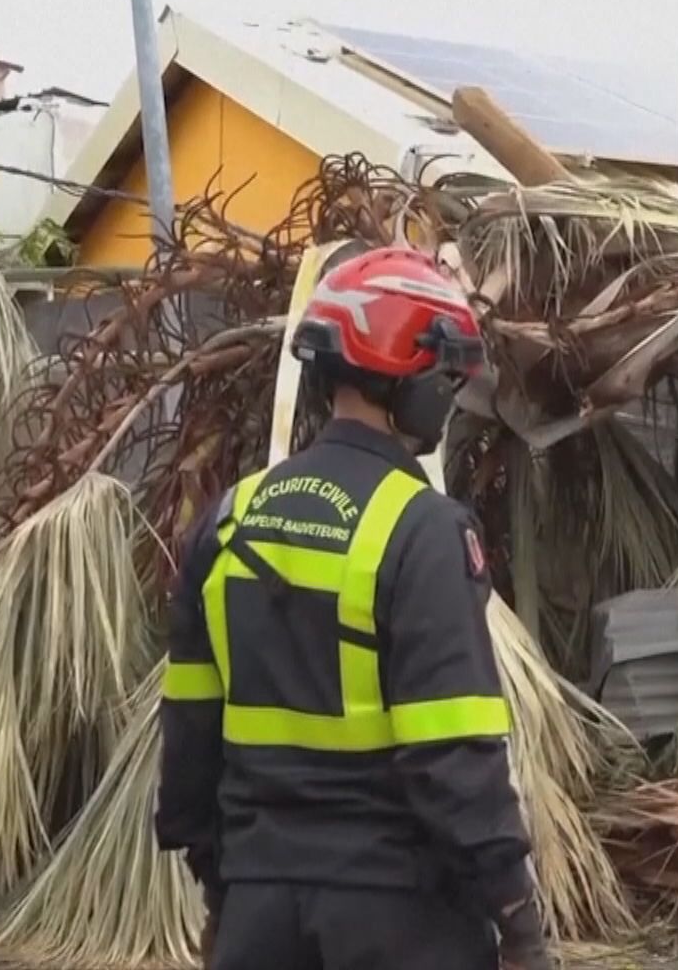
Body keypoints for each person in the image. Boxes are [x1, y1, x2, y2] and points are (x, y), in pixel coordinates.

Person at [155, 247, 551, 970]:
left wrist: (223, 884)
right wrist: (517, 916)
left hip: (257, 907)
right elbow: (454, 756)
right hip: (399, 917)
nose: (450, 394)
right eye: (447, 376)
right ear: (413, 375)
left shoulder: (230, 519)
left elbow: (190, 731)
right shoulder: (424, 530)